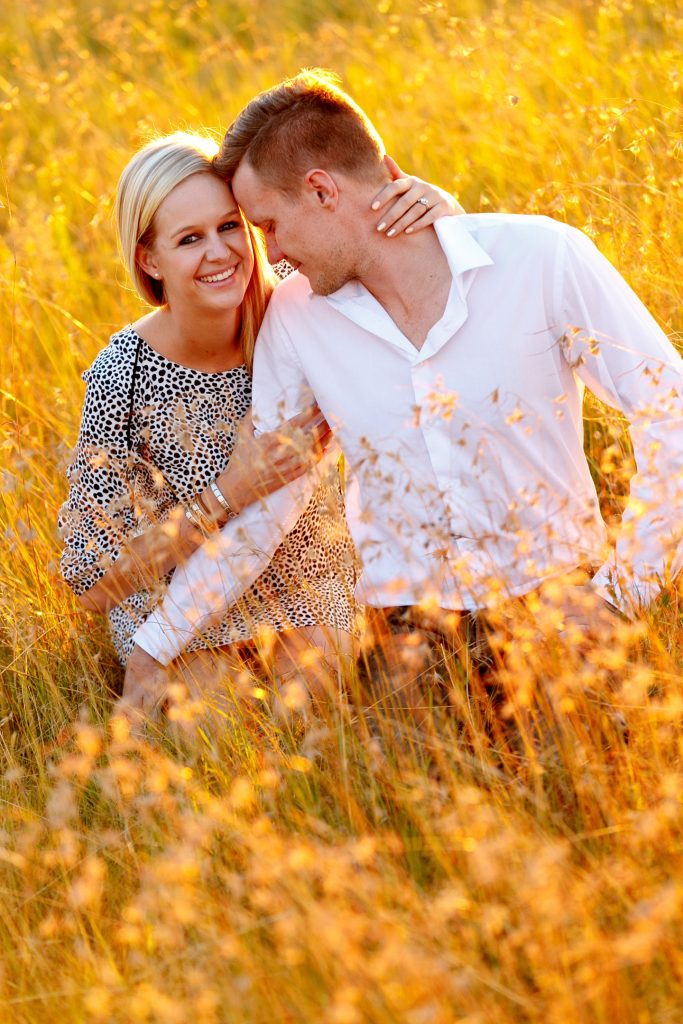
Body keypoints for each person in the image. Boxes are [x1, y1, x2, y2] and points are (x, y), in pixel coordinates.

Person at [125, 71, 683, 714]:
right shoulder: (299, 319)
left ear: (323, 190)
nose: (269, 255)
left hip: (560, 608)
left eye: (270, 225)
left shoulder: (540, 258)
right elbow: (268, 509)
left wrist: (618, 596)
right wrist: (156, 643)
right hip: (408, 642)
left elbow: (669, 415)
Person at [59, 129, 459, 715]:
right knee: (215, 734)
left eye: (229, 226)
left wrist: (443, 215)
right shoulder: (123, 374)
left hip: (304, 581)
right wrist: (228, 494)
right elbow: (94, 585)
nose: (219, 252)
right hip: (175, 605)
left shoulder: (305, 310)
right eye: (189, 238)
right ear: (150, 259)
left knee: (306, 717)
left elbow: (409, 282)